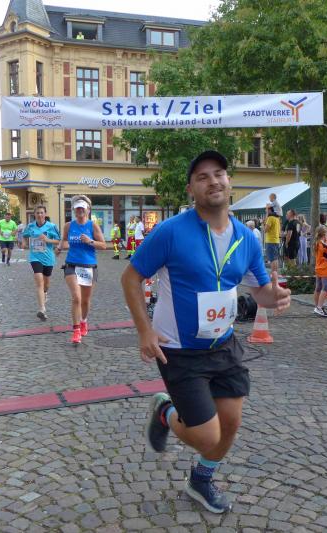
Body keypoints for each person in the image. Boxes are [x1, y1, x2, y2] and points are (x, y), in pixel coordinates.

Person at [121, 150, 290, 514]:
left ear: (229, 181)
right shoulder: (170, 232)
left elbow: (259, 290)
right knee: (206, 435)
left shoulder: (247, 238)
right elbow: (131, 278)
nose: (213, 181)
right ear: (191, 189)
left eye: (219, 174)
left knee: (230, 423)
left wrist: (273, 297)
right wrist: (144, 330)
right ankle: (165, 411)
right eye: (202, 177)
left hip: (223, 343)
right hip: (179, 349)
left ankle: (201, 479)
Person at [59, 196, 107, 343]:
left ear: (87, 210)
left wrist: (90, 241)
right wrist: (60, 247)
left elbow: (103, 245)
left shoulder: (93, 226)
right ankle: (76, 330)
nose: (80, 210)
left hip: (88, 266)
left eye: (82, 208)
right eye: (77, 208)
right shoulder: (68, 226)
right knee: (76, 298)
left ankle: (84, 321)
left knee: (85, 301)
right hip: (71, 265)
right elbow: (64, 240)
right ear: (74, 210)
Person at [21, 205, 60, 321]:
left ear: (45, 214)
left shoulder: (52, 226)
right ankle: (42, 309)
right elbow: (24, 235)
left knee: (46, 284)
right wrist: (24, 243)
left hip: (48, 258)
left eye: (41, 212)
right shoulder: (30, 226)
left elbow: (58, 240)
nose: (39, 215)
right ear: (34, 214)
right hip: (35, 257)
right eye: (37, 213)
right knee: (39, 282)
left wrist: (47, 240)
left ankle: (45, 293)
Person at [312, 225, 327, 316]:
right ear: (324, 234)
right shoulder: (324, 246)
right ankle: (319, 307)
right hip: (325, 268)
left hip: (318, 268)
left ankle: (316, 306)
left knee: (318, 288)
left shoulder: (317, 243)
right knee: (326, 287)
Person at [263, 204, 281, 271]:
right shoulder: (277, 218)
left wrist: (263, 224)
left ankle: (273, 273)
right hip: (276, 241)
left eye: (266, 209)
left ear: (269, 210)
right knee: (275, 259)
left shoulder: (270, 218)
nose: (265, 210)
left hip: (270, 241)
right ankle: (275, 273)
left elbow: (265, 230)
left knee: (272, 259)